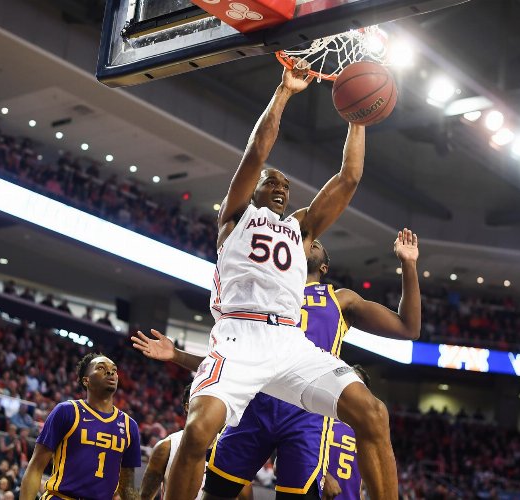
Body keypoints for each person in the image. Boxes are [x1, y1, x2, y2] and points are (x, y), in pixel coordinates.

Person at [159, 60, 397, 499]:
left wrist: (357, 120)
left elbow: (349, 177)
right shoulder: (235, 218)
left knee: (373, 414)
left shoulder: (301, 229)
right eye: (273, 182)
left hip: (289, 341)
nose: (281, 187)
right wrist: (285, 92)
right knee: (197, 433)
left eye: (286, 185)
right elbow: (256, 154)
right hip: (238, 335)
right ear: (254, 191)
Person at [133, 229, 420, 498]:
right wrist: (177, 355)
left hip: (305, 414)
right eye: (307, 239)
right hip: (254, 404)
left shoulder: (340, 298)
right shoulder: (264, 291)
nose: (311, 241)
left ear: (324, 268)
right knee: (216, 493)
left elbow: (408, 328)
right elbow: (228, 361)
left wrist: (408, 265)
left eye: (317, 243)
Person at [19, 353, 142, 500]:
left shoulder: (130, 426)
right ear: (86, 380)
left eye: (114, 370)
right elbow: (35, 468)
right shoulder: (67, 411)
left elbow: (127, 487)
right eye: (101, 368)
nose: (110, 372)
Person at [318, 365, 370, 500]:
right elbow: (283, 461)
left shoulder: (365, 431)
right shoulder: (319, 416)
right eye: (348, 381)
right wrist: (325, 476)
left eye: (358, 384)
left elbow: (359, 484)